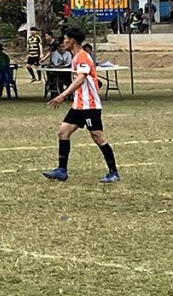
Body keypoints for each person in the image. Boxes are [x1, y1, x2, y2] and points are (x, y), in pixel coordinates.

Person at [43, 27, 120, 183]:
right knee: (63, 132)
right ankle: (62, 171)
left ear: (72, 41)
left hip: (89, 106)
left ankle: (113, 172)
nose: (63, 42)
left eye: (65, 39)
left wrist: (63, 95)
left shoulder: (82, 57)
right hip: (78, 105)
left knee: (98, 138)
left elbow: (81, 79)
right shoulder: (75, 57)